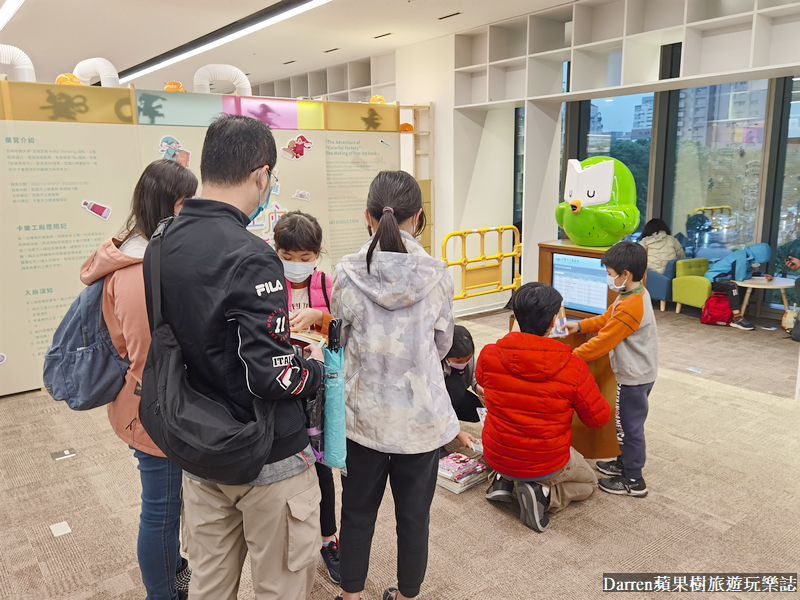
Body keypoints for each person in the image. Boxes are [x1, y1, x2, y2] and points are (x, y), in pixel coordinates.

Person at [143, 115, 325, 600]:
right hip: (265, 455)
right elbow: (271, 375)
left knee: (209, 587)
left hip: (196, 445)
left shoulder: (160, 245)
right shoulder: (252, 255)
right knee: (279, 587)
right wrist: (312, 372)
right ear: (261, 175)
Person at [332, 170, 470, 600]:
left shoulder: (345, 273)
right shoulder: (438, 275)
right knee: (414, 518)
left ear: (368, 217)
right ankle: (408, 595)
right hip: (421, 421)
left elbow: (341, 339)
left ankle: (351, 596)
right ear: (419, 218)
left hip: (363, 420)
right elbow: (445, 344)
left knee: (355, 514)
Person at [80, 159, 197, 600]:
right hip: (153, 409)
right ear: (176, 204)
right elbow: (152, 357)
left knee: (167, 503)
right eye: (191, 202)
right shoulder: (139, 271)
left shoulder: (138, 253)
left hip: (145, 402)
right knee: (161, 509)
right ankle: (162, 593)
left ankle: (175, 571)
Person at [479, 283, 610, 532]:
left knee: (512, 452)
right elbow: (597, 418)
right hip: (545, 461)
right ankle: (544, 496)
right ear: (552, 323)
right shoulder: (573, 367)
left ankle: (502, 480)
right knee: (589, 482)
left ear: (515, 317)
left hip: (496, 452)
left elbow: (483, 383)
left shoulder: (489, 354)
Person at [272, 210, 340, 584]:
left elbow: (344, 335)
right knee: (284, 473)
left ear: (316, 255)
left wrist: (320, 319)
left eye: (305, 257)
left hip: (319, 393)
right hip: (280, 390)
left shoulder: (327, 286)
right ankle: (289, 545)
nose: (297, 265)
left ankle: (329, 539)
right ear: (275, 251)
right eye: (288, 256)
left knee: (323, 469)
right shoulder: (264, 283)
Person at [565, 241, 658, 498]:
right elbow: (607, 319)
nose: (609, 277)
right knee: (623, 423)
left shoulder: (631, 305)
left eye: (609, 272)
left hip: (635, 377)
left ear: (624, 274)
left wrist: (571, 358)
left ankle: (633, 479)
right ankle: (623, 462)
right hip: (634, 373)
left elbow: (603, 342)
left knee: (629, 426)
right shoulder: (632, 294)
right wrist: (581, 326)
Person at [703, 243, 773, 331]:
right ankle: (736, 318)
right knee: (732, 287)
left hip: (724, 278)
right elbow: (739, 277)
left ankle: (737, 312)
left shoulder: (745, 256)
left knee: (744, 287)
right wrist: (750, 274)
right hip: (714, 280)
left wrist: (761, 274)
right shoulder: (741, 258)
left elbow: (745, 272)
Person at [443, 325, 484, 423]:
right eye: (459, 361)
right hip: (437, 397)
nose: (464, 363)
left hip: (456, 390)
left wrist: (477, 385)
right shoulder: (433, 364)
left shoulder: (466, 352)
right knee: (457, 387)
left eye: (468, 359)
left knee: (476, 410)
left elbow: (475, 371)